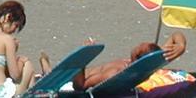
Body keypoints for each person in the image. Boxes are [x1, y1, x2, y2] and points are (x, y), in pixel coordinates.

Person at [59, 33, 187, 92]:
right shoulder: (151, 64)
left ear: (137, 55)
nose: (139, 44)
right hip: (72, 77)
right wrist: (181, 46)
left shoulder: (114, 73)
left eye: (139, 46)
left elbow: (80, 86)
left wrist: (83, 59)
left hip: (67, 81)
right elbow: (176, 35)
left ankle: (44, 70)